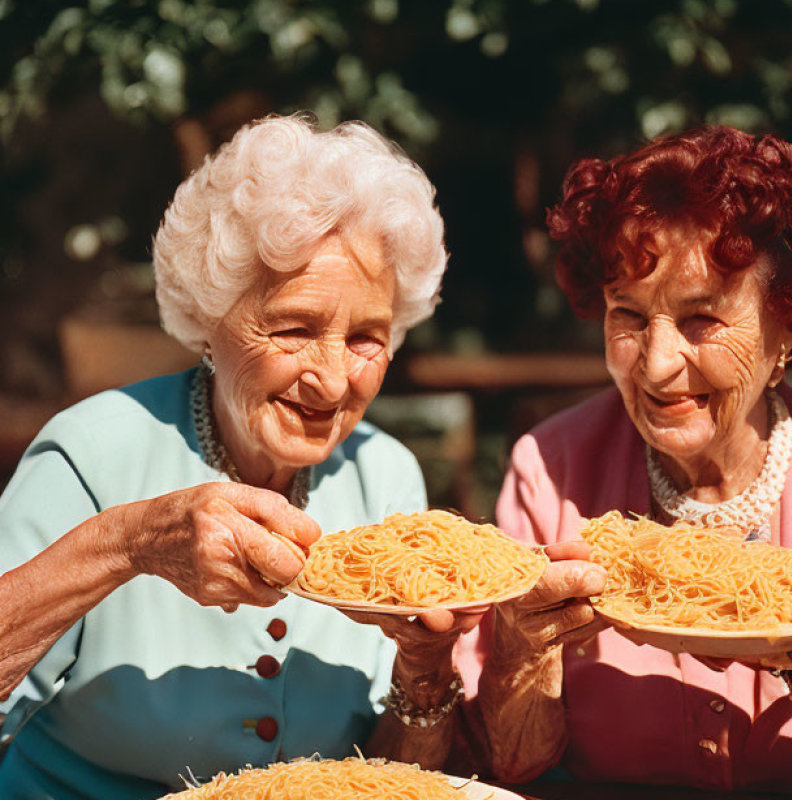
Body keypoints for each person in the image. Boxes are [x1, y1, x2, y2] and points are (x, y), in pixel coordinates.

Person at [457, 125, 792, 798]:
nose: (656, 368)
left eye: (700, 321)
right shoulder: (549, 466)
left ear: (788, 330)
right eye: (627, 315)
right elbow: (504, 766)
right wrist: (518, 649)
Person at [0, 116, 479, 799]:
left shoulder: (386, 474)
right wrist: (128, 543)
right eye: (293, 328)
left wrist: (424, 667)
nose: (334, 379)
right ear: (210, 319)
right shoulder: (93, 451)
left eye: (367, 338)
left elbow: (392, 781)